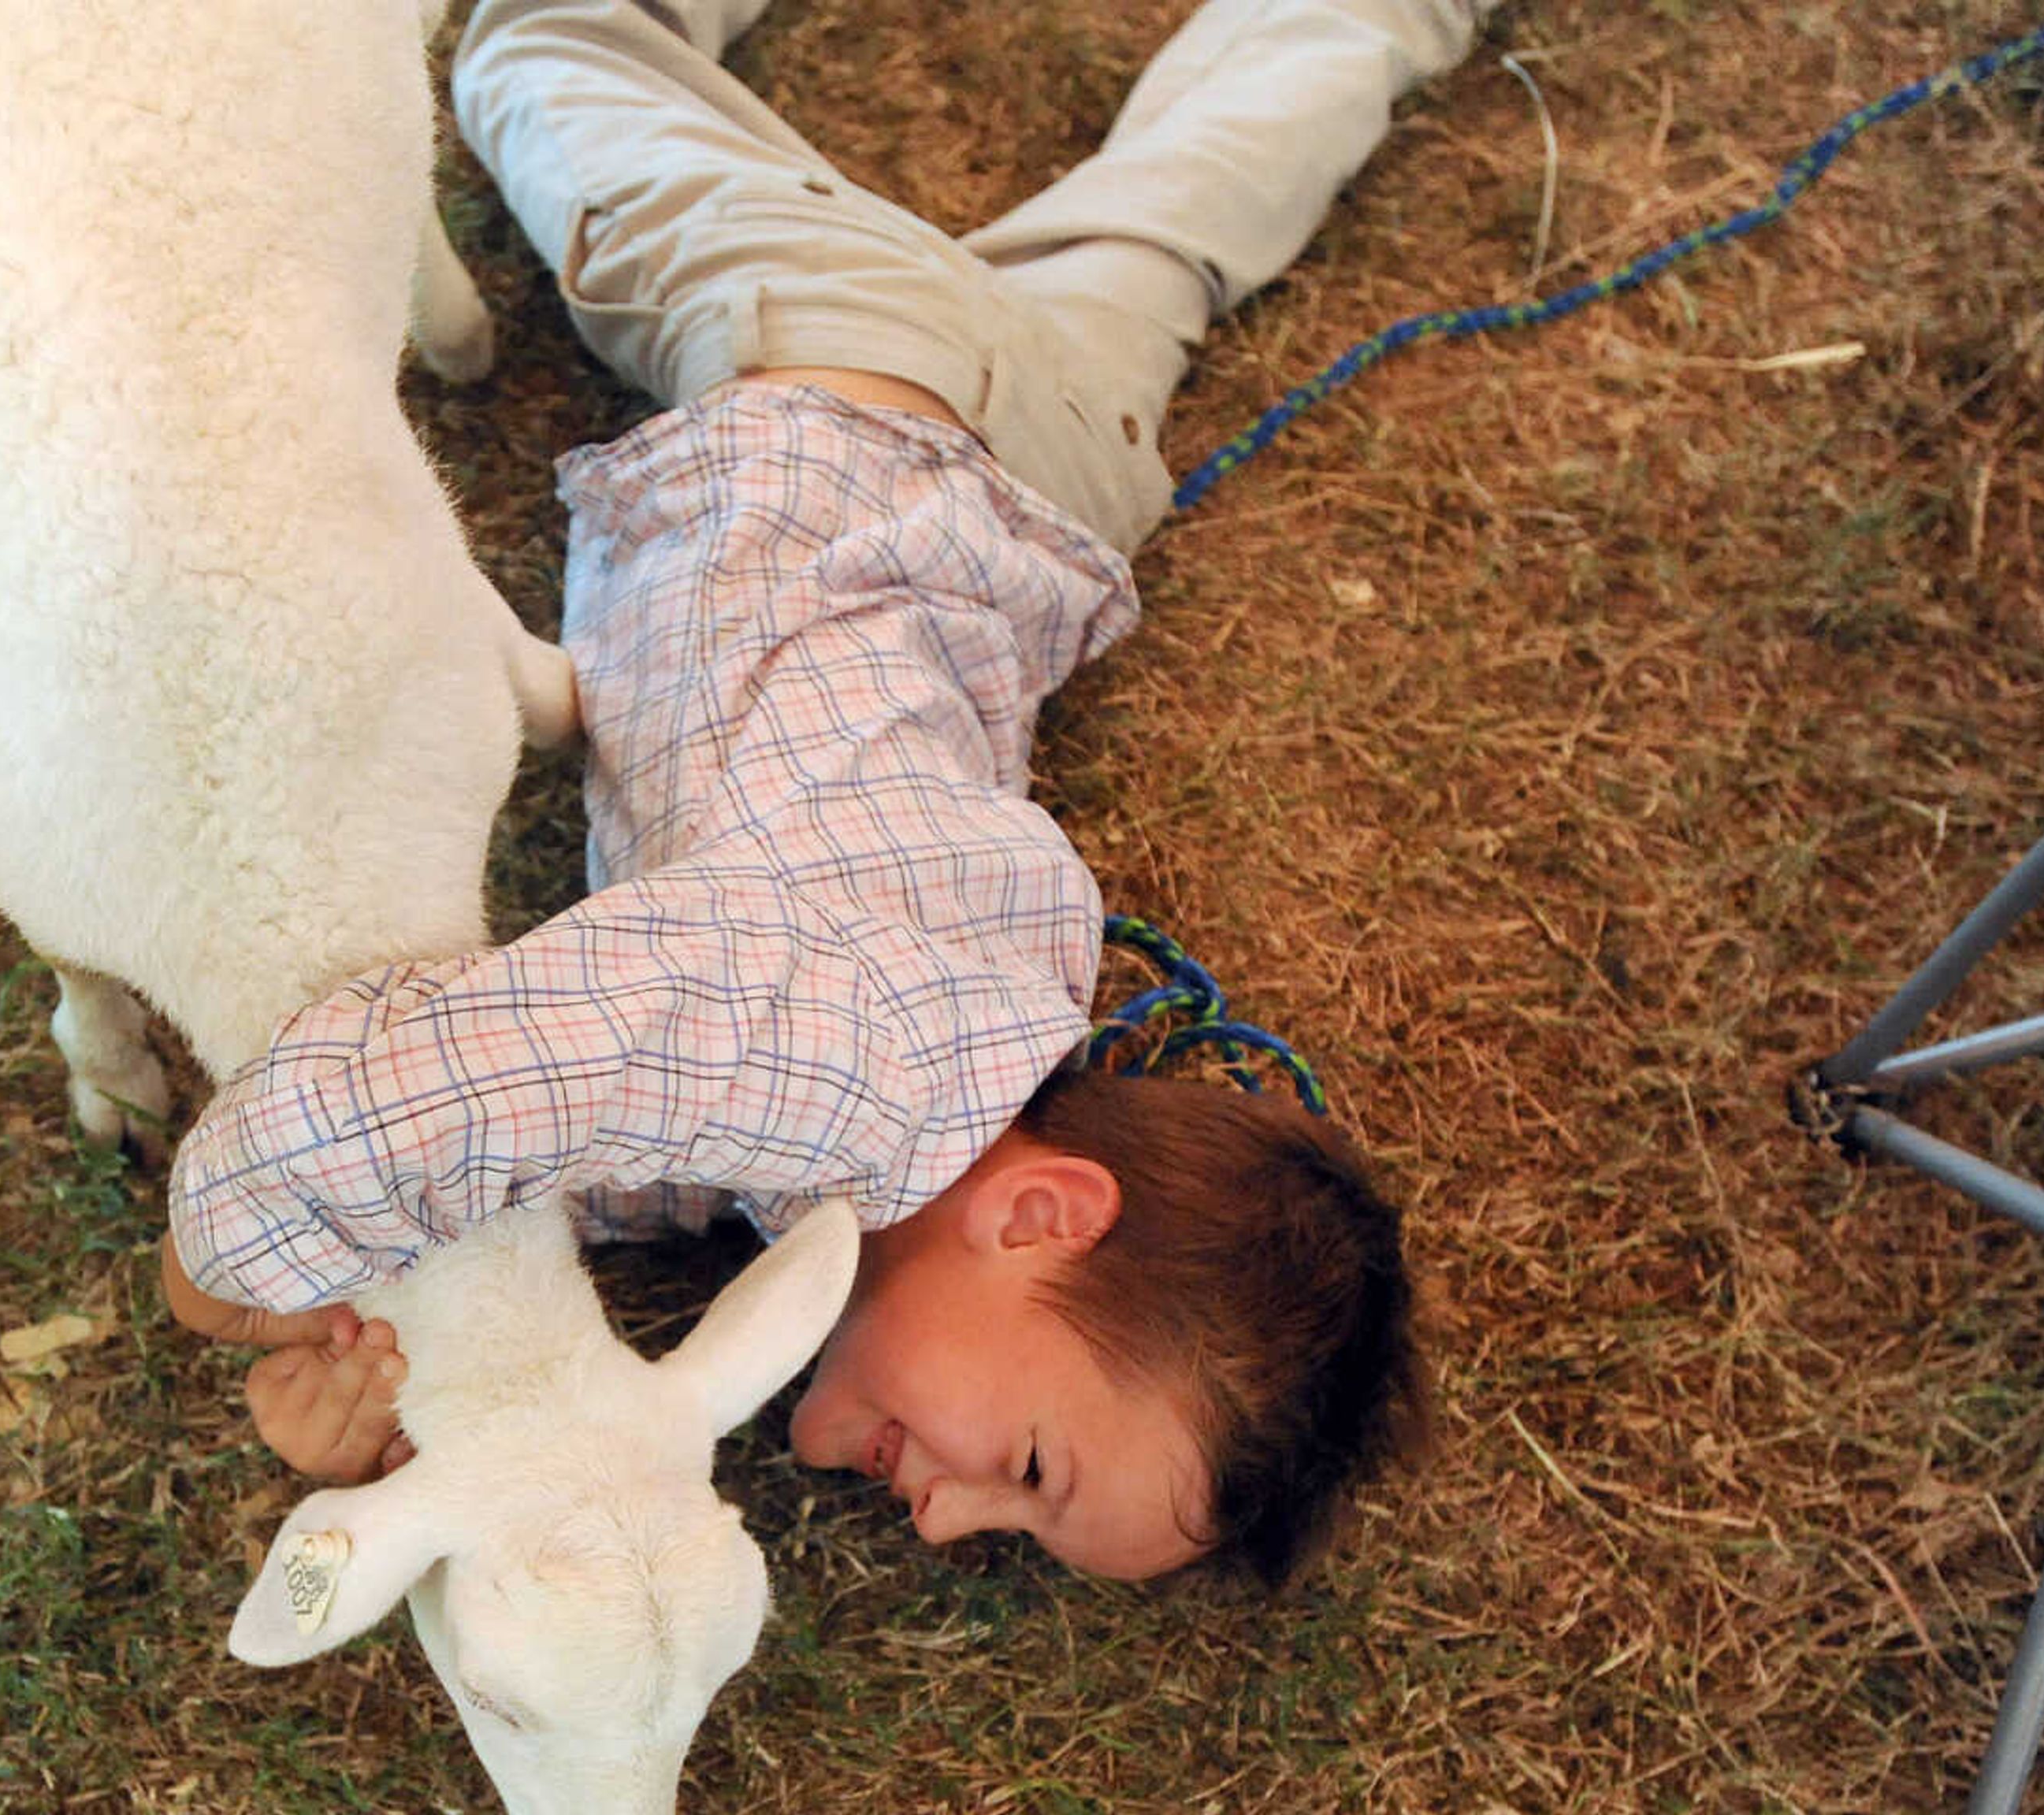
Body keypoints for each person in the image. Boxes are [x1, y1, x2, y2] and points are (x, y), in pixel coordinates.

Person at [160, 0, 1485, 1585]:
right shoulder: (846, 1083)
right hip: (832, 357)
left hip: (1062, 468)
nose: (946, 1512)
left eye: (1009, 1535)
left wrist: (404, 1380)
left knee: (1188, 215)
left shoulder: (938, 1072)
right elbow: (431, 1087)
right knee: (535, 46)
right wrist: (231, 1264)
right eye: (1032, 1473)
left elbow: (561, 1151)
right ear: (1043, 1215)